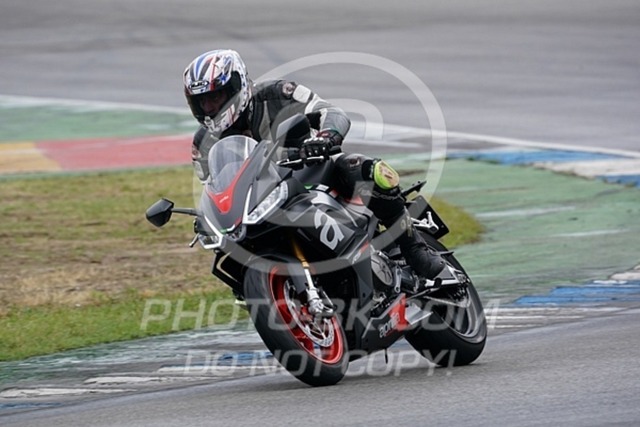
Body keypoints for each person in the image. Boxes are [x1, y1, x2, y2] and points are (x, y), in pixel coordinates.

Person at [183, 49, 445, 280]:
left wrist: (325, 137)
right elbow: (214, 187)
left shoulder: (278, 94)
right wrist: (208, 217)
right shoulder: (202, 144)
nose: (210, 106)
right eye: (203, 101)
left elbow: (331, 112)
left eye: (216, 97)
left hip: (310, 170)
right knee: (230, 253)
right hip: (259, 203)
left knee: (363, 168)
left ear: (237, 87)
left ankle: (415, 248)